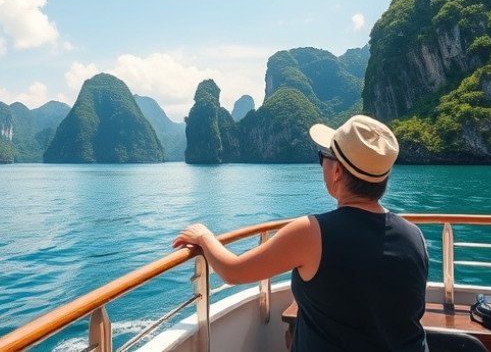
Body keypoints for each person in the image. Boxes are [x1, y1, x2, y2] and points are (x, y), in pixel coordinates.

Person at [172, 114, 429, 351]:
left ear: (338, 171)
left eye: (323, 159)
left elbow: (234, 272)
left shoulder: (311, 232)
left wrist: (204, 237)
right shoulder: (414, 236)